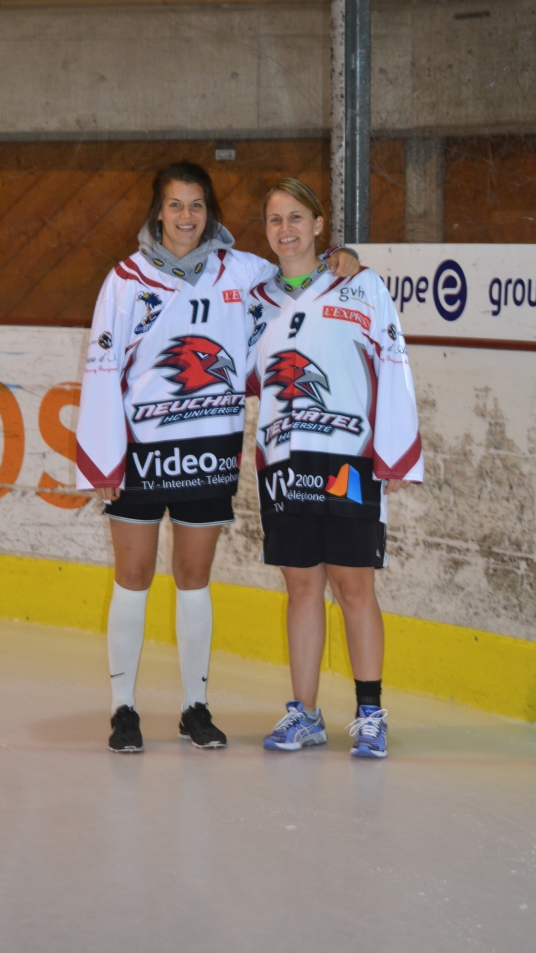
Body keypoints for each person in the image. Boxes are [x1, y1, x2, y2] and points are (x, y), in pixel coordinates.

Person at [75, 161, 359, 754]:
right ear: (158, 212)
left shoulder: (246, 272)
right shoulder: (125, 280)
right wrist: (102, 460)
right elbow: (101, 370)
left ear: (211, 212)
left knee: (193, 579)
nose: (186, 217)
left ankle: (193, 708)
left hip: (209, 450)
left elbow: (303, 282)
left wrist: (345, 261)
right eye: (176, 206)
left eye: (197, 205)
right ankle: (123, 709)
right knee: (132, 578)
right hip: (142, 454)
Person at [246, 178, 423, 759]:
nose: (285, 230)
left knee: (353, 585)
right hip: (283, 460)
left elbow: (394, 364)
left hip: (348, 458)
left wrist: (396, 450)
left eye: (296, 217)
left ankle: (370, 713)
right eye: (274, 220)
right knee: (301, 588)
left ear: (320, 225)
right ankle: (305, 713)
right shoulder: (256, 298)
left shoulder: (359, 283)